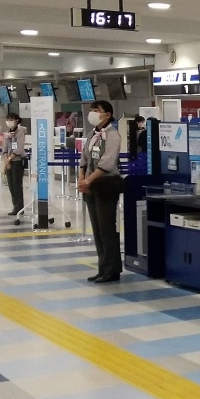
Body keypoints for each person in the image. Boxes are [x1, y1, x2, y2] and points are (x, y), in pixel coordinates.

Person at [79, 101, 124, 283]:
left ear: (107, 115)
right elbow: (84, 158)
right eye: (91, 110)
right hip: (91, 186)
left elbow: (107, 163)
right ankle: (102, 267)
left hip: (106, 185)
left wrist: (88, 180)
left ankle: (112, 270)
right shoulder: (92, 134)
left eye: (96, 111)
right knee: (97, 229)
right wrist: (82, 179)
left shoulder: (113, 135)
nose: (92, 113)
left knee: (107, 228)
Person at [3, 115, 27, 216]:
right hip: (9, 161)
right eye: (8, 120)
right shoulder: (7, 134)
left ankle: (19, 207)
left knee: (17, 185)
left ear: (16, 121)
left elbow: (19, 149)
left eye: (11, 120)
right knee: (11, 185)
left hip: (17, 161)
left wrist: (9, 159)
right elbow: (4, 148)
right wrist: (6, 160)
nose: (9, 121)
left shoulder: (20, 133)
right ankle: (15, 206)